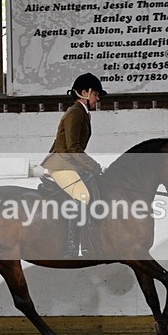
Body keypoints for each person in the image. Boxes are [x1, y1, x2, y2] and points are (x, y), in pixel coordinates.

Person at [41, 73, 106, 259]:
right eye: (96, 94)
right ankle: (72, 246)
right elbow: (73, 147)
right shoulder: (75, 112)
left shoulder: (83, 113)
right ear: (84, 93)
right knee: (83, 196)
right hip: (61, 165)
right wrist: (93, 166)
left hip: (69, 164)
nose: (98, 98)